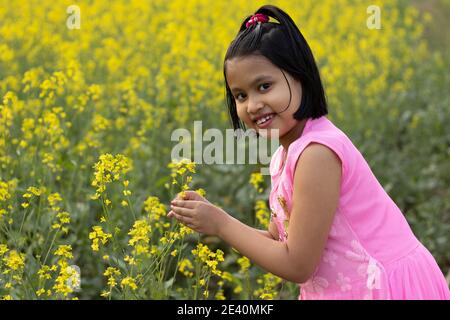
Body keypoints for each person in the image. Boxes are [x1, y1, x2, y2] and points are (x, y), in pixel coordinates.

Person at [168, 4, 450, 300]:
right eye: (240, 95)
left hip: (384, 288)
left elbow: (297, 264)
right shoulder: (284, 155)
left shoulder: (317, 153)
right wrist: (214, 220)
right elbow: (280, 243)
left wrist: (222, 224)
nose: (252, 105)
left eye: (264, 86)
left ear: (300, 77)